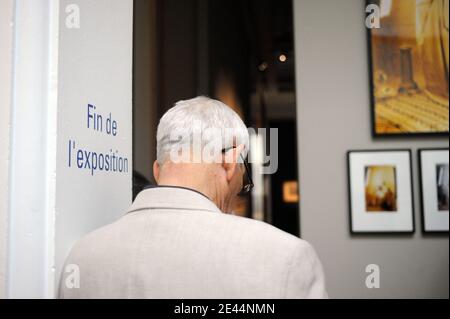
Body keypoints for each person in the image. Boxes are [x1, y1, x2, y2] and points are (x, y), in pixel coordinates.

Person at [59, 96, 327, 299]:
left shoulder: (82, 257)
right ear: (231, 162)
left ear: (157, 170)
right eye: (243, 179)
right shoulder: (286, 257)